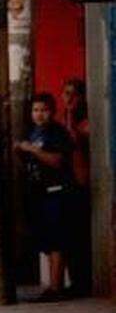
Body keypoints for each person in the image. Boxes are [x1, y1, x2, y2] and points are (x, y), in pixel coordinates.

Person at [14, 93, 74, 301]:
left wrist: (32, 150)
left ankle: (57, 287)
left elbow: (57, 160)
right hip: (37, 194)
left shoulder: (57, 133)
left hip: (56, 192)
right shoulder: (32, 132)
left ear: (52, 111)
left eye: (43, 110)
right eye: (35, 110)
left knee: (57, 240)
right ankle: (52, 285)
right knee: (46, 241)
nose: (39, 115)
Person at [60, 78, 91, 297]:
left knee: (81, 236)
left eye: (73, 94)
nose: (69, 99)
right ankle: (75, 280)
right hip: (67, 184)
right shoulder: (64, 120)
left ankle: (84, 282)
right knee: (70, 236)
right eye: (66, 94)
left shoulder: (85, 122)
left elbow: (76, 142)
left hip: (84, 183)